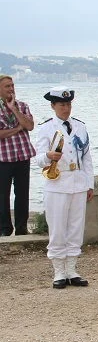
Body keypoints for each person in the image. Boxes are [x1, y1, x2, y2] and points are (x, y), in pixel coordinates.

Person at [34, 87, 94, 289]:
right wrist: (48, 156)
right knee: (58, 229)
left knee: (76, 228)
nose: (66, 108)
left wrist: (89, 184)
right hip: (57, 184)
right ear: (53, 106)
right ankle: (59, 272)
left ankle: (72, 270)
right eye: (62, 105)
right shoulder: (46, 128)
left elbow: (86, 158)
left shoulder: (80, 126)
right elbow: (38, 159)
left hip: (78, 182)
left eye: (68, 104)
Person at [0, 75, 35, 236]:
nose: (11, 89)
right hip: (3, 158)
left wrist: (14, 109)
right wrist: (18, 129)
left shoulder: (22, 106)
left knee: (22, 194)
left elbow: (30, 125)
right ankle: (5, 229)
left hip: (23, 156)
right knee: (2, 195)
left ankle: (21, 228)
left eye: (12, 85)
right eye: (7, 86)